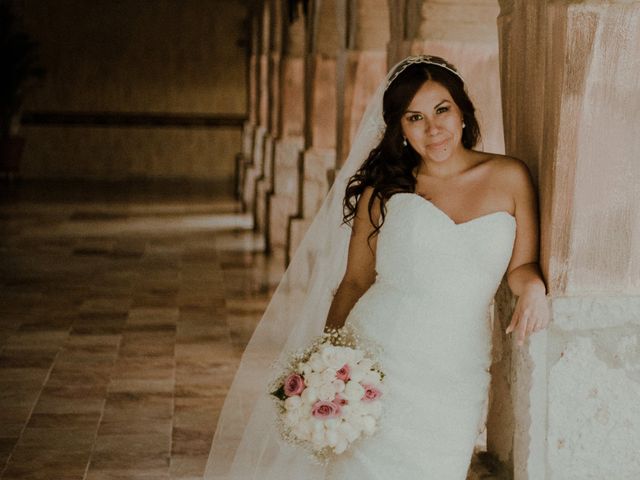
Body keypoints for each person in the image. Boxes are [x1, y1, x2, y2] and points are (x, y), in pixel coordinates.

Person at [204, 55, 550, 480]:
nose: (433, 128)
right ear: (400, 130)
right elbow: (355, 281)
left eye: (442, 109)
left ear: (463, 110)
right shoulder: (383, 192)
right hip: (378, 360)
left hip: (456, 370)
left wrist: (533, 287)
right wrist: (325, 363)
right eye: (415, 118)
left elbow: (524, 264)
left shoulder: (510, 176)